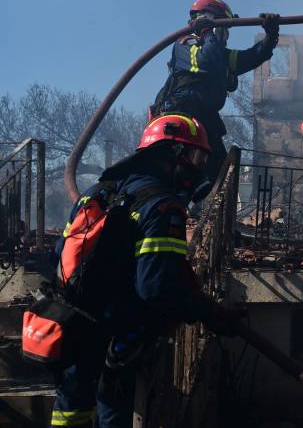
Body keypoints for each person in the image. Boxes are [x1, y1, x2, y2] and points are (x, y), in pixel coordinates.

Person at [49, 115, 244, 428]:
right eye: (194, 157)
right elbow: (156, 286)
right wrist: (209, 312)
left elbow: (59, 254)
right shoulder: (164, 207)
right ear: (169, 155)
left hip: (75, 319)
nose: (197, 168)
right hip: (119, 329)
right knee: (113, 405)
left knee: (70, 408)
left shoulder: (96, 192)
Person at [151, 0, 280, 182]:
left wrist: (270, 37)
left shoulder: (218, 53)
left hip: (204, 119)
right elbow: (207, 61)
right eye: (224, 28)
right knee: (179, 173)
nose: (226, 35)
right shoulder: (185, 43)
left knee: (218, 172)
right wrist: (208, 32)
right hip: (182, 117)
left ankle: (202, 209)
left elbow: (250, 57)